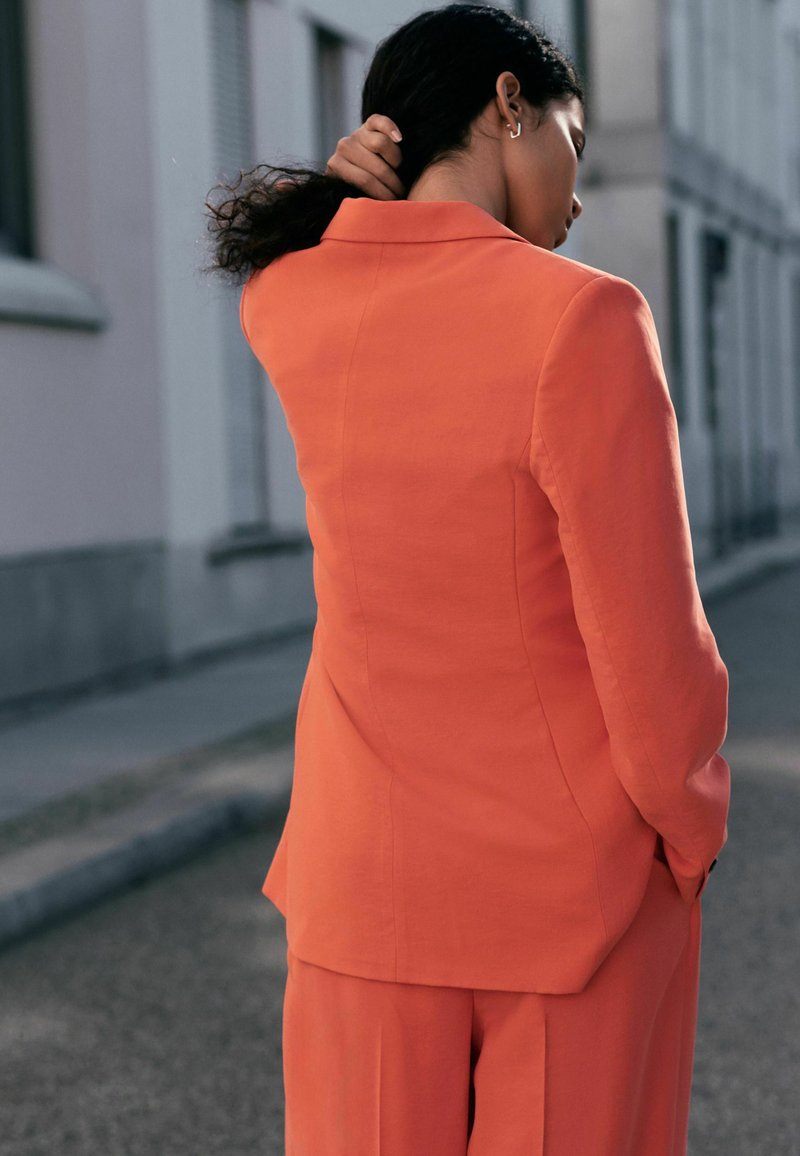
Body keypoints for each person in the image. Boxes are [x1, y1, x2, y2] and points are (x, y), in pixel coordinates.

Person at [204, 5, 731, 1152]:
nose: (575, 191)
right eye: (570, 144)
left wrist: (359, 208)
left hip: (358, 896)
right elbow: (648, 648)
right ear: (506, 104)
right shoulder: (583, 318)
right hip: (568, 901)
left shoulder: (283, 301)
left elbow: (327, 261)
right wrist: (688, 829)